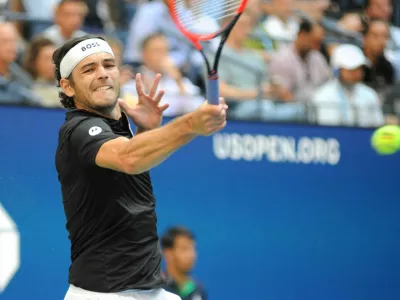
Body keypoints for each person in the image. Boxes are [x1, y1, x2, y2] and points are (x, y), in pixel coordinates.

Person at [53, 35, 227, 300]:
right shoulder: (78, 129)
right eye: (89, 69)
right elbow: (129, 159)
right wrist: (191, 123)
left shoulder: (120, 129)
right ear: (67, 87)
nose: (102, 74)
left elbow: (131, 167)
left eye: (108, 65)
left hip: (150, 290)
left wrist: (145, 131)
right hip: (101, 294)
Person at [161, 226, 207, 300]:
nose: (192, 255)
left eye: (193, 249)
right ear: (168, 253)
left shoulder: (198, 289)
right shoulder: (157, 289)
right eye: (184, 249)